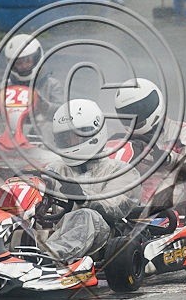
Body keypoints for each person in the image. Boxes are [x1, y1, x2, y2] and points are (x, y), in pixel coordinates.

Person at [40, 99, 140, 262]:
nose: (70, 143)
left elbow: (115, 207)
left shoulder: (122, 171)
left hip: (101, 240)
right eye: (65, 138)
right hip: (53, 231)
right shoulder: (54, 169)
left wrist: (83, 197)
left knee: (86, 215)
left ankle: (49, 258)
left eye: (76, 137)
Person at [112, 77, 186, 211]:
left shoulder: (180, 131)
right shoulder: (123, 140)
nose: (134, 116)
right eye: (128, 112)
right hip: (132, 195)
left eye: (138, 109)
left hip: (172, 197)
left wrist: (168, 158)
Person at [0, 33, 63, 141]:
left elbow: (62, 115)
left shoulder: (52, 85)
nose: (24, 66)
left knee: (45, 128)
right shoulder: (6, 85)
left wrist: (43, 105)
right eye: (19, 63)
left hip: (41, 137)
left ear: (36, 58)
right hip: (9, 133)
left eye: (27, 61)